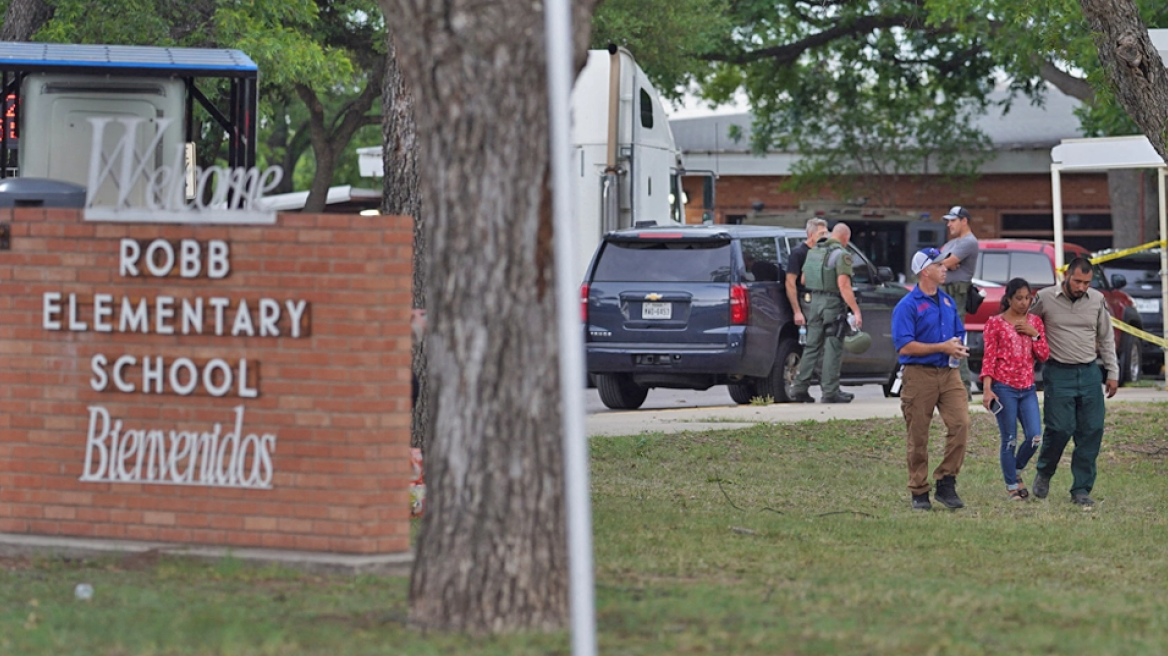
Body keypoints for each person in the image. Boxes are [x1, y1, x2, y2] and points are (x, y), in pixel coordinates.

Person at [1029, 257, 1119, 508]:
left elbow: (1107, 338)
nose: (1081, 287)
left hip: (1089, 371)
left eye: (1087, 283)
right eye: (1078, 281)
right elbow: (1027, 326)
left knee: (1091, 430)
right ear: (1067, 275)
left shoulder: (1097, 300)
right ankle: (1044, 472)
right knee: (1059, 428)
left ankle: (1081, 488)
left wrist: (1112, 372)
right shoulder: (1045, 298)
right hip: (1058, 371)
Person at [891, 247, 970, 510]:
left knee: (960, 425)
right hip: (918, 376)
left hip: (949, 374)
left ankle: (946, 482)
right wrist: (941, 347)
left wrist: (958, 347)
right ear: (925, 271)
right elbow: (904, 346)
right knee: (918, 436)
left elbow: (958, 331)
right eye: (939, 265)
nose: (944, 268)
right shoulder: (907, 306)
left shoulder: (947, 302)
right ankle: (919, 490)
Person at [981, 278, 1049, 501]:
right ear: (1008, 298)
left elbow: (1044, 355)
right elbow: (989, 358)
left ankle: (1016, 470)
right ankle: (1012, 485)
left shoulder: (1035, 322)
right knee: (1009, 439)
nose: (1023, 302)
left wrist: (1034, 334)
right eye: (1018, 298)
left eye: (1027, 298)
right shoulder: (995, 323)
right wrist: (987, 389)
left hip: (1028, 388)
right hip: (1004, 388)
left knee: (1034, 437)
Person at [790, 222, 862, 404]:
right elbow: (843, 285)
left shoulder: (814, 251)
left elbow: (804, 279)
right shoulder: (842, 255)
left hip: (813, 303)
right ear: (846, 238)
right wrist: (855, 310)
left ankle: (799, 388)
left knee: (812, 346)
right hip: (832, 304)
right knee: (832, 346)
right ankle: (830, 391)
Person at [938, 205, 980, 394]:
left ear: (964, 221)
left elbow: (944, 262)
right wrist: (943, 262)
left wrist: (946, 262)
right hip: (944, 293)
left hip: (957, 295)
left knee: (955, 339)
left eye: (953, 220)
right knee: (943, 338)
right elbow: (936, 260)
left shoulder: (968, 242)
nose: (949, 224)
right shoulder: (952, 243)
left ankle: (963, 388)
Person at [785, 218, 830, 329]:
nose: (825, 236)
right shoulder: (799, 253)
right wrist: (797, 311)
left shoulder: (825, 251)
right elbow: (790, 283)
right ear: (810, 234)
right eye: (821, 233)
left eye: (826, 233)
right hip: (808, 300)